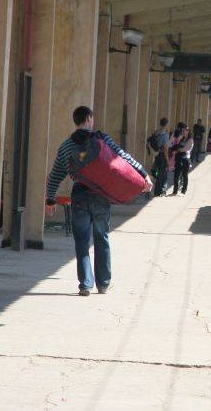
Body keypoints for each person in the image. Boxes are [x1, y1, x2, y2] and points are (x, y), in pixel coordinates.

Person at [46, 106, 152, 296]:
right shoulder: (102, 139)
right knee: (101, 237)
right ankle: (103, 283)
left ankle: (85, 284)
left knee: (81, 240)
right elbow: (123, 157)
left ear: (75, 121)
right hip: (101, 195)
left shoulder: (65, 146)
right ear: (89, 118)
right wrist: (143, 175)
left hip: (79, 194)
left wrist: (50, 199)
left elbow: (55, 175)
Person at [151, 117, 171, 196]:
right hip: (162, 155)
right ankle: (161, 191)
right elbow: (166, 148)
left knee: (157, 172)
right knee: (163, 174)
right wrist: (167, 159)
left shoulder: (156, 132)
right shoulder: (165, 134)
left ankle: (157, 190)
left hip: (157, 155)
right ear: (166, 124)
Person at [172, 124, 193, 196]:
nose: (183, 132)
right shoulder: (182, 139)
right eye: (183, 131)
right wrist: (177, 149)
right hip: (179, 159)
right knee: (176, 175)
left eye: (185, 131)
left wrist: (178, 149)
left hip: (185, 159)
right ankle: (175, 191)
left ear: (188, 131)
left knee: (184, 175)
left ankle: (183, 191)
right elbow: (177, 147)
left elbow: (184, 149)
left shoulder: (190, 140)